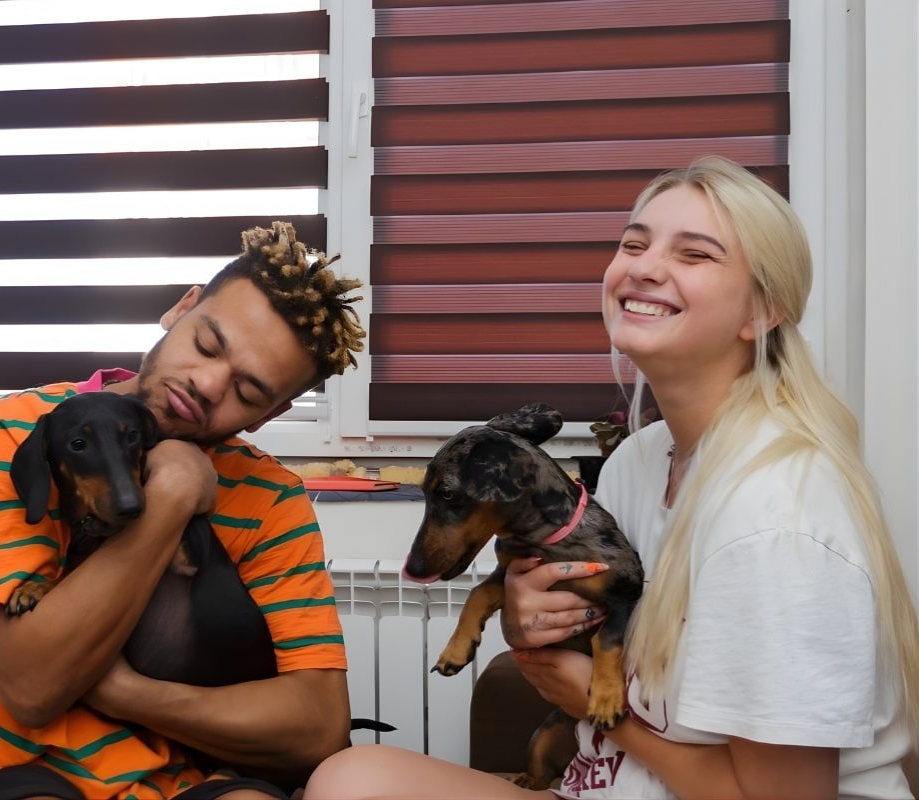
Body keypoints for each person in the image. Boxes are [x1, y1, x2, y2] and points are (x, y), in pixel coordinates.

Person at [301, 157, 919, 799]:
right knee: (351, 780)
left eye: (695, 254)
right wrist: (528, 620)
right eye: (634, 244)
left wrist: (605, 714)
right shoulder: (640, 459)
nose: (644, 267)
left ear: (762, 312)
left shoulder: (778, 521)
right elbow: (587, 617)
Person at [0, 221, 366, 800]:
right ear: (181, 308)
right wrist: (174, 492)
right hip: (24, 775)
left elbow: (319, 729)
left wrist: (125, 693)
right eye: (207, 345)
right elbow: (32, 689)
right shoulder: (9, 432)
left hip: (204, 783)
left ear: (269, 414)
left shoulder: (272, 498)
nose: (207, 384)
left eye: (248, 392)